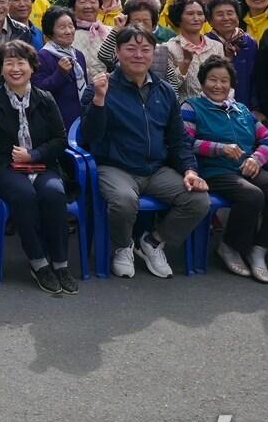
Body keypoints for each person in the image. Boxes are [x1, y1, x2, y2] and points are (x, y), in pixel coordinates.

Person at [80, 26, 209, 279]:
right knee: (124, 201)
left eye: (145, 49)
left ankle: (151, 241)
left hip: (156, 169)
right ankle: (123, 246)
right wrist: (99, 100)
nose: (138, 55)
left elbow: (179, 139)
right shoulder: (101, 86)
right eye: (130, 48)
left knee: (198, 199)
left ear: (153, 54)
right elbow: (89, 136)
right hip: (116, 167)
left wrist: (190, 170)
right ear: (117, 52)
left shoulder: (164, 91)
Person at [0, 39, 78, 295]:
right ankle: (39, 262)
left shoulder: (45, 98)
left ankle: (61, 263)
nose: (15, 68)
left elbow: (60, 139)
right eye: (9, 63)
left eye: (21, 62)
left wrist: (34, 154)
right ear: (1, 68)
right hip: (7, 168)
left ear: (32, 67)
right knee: (25, 196)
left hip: (41, 165)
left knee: (54, 193)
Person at [180, 57, 268, 283]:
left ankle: (259, 250)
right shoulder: (191, 107)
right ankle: (230, 246)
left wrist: (256, 159)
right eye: (212, 79)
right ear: (202, 82)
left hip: (246, 167)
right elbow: (185, 143)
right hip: (213, 171)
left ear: (231, 85)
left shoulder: (242, 110)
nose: (218, 85)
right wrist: (218, 149)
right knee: (251, 195)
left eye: (224, 81)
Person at [153, 0, 225, 101]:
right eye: (190, 14)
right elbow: (169, 87)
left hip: (214, 109)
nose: (196, 18)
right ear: (178, 17)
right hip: (185, 111)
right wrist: (186, 62)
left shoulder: (217, 46)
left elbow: (224, 80)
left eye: (200, 14)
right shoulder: (168, 48)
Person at [36, 5, 89, 129]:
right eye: (62, 27)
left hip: (81, 120)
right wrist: (59, 74)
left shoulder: (78, 55)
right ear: (50, 30)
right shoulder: (42, 56)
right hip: (57, 122)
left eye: (71, 26)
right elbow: (39, 91)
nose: (68, 31)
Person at [205, 0, 258, 111]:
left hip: (245, 107)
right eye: (219, 14)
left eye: (230, 13)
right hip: (212, 108)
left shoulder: (249, 43)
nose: (226, 18)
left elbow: (257, 78)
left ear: (237, 17)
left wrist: (256, 108)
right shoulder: (206, 43)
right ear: (210, 21)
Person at [95, 0, 172, 69]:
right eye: (136, 21)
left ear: (153, 25)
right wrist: (117, 29)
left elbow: (172, 80)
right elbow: (103, 56)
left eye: (146, 21)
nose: (141, 25)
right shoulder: (121, 48)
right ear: (127, 23)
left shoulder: (161, 52)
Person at [68, 0, 110, 76]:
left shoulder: (110, 32)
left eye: (93, 1)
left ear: (99, 5)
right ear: (73, 6)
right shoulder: (67, 34)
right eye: (82, 2)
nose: (88, 6)